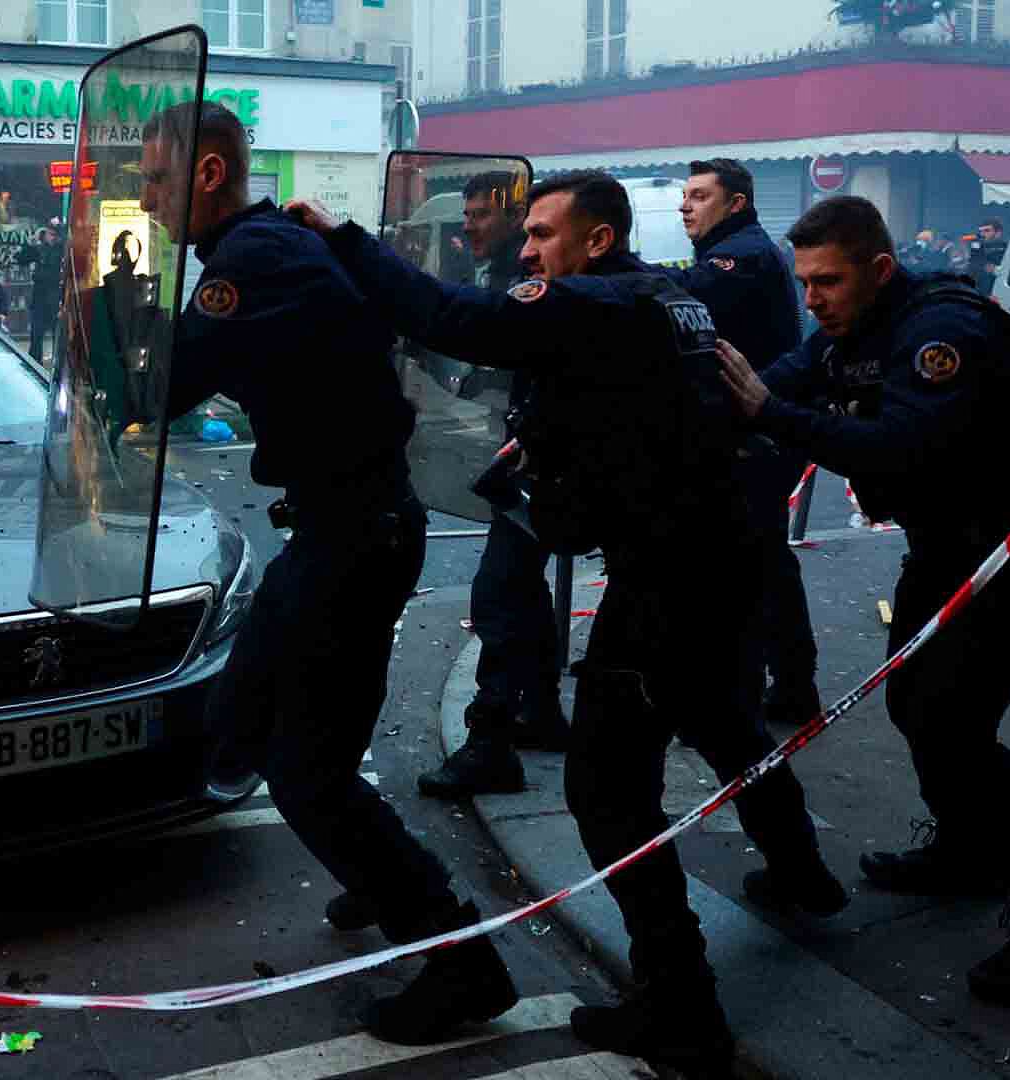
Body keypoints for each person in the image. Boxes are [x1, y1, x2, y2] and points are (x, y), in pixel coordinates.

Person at [289, 170, 845, 1072]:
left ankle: (683, 1007)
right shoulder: (660, 300)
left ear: (594, 239)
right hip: (715, 560)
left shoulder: (586, 301)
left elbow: (450, 317)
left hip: (666, 578)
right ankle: (802, 869)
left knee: (607, 793)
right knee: (720, 720)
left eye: (544, 234)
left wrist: (344, 239)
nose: (528, 250)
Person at [140, 100, 520, 1046]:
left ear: (210, 174)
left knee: (304, 777)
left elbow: (168, 381)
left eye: (154, 179)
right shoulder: (266, 249)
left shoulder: (253, 260)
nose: (145, 200)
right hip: (347, 529)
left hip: (352, 538)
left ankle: (461, 961)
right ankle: (374, 868)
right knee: (249, 726)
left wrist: (105, 318)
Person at [718, 195, 1010, 1009]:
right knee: (914, 703)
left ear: (877, 270)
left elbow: (895, 443)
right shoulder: (852, 329)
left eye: (828, 282)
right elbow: (778, 384)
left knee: (952, 723)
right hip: (945, 543)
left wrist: (771, 414)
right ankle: (969, 851)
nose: (814, 300)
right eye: (804, 284)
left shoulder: (945, 333)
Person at [416, 169, 569, 801]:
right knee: (521, 590)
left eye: (483, 215)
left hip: (550, 464)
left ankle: (491, 744)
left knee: (501, 594)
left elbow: (494, 335)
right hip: (542, 458)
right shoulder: (524, 275)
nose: (470, 226)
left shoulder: (538, 284)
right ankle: (538, 711)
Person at [656, 158, 819, 729]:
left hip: (754, 435)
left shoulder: (742, 255)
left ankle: (771, 687)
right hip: (742, 430)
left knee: (758, 559)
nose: (685, 205)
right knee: (754, 557)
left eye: (700, 196)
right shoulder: (733, 249)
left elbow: (677, 298)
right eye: (685, 195)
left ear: (736, 203)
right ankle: (781, 682)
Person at [19, 224, 65, 363]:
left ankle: (59, 364)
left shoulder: (61, 249)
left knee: (57, 335)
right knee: (36, 334)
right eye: (47, 234)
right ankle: (35, 363)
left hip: (55, 296)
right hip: (40, 297)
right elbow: (22, 259)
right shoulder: (39, 249)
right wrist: (30, 243)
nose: (48, 237)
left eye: (52, 234)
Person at [968, 216, 1008, 293]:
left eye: (987, 231)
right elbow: (973, 267)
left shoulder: (1007, 248)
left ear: (998, 233)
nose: (982, 234)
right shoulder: (977, 247)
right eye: (981, 231)